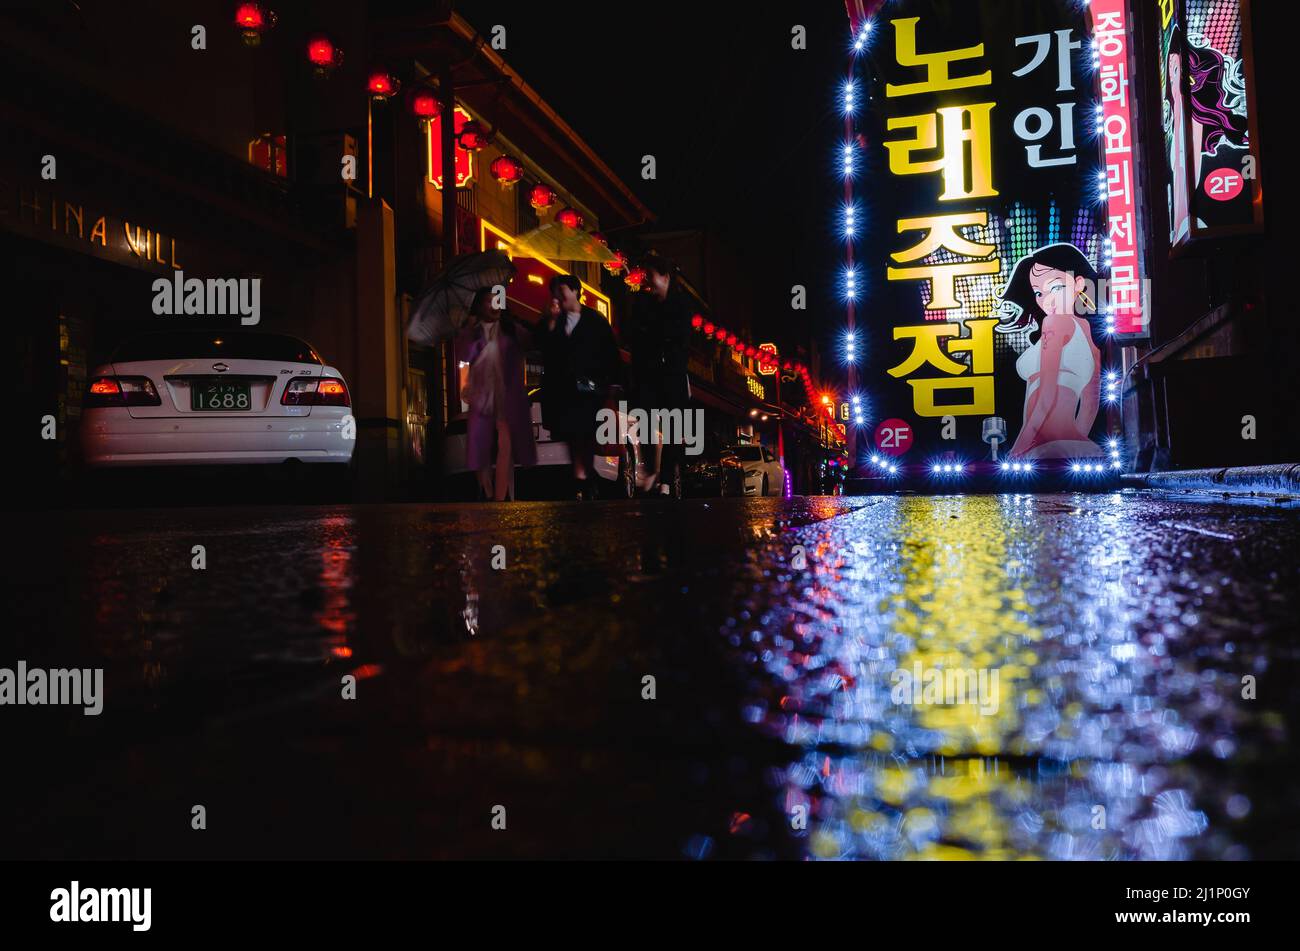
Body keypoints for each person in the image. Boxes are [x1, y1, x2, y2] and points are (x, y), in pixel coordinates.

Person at [995, 243, 1104, 461]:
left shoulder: (1054, 323)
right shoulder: (1089, 338)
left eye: (1055, 287)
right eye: (1038, 292)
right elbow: (1091, 405)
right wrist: (1074, 444)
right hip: (1077, 442)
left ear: (1078, 283)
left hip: (1042, 443)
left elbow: (1046, 395)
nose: (1047, 300)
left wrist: (1019, 447)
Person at [539, 274, 622, 500]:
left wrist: (612, 384)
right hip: (562, 391)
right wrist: (551, 324)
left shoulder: (595, 320)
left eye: (562, 289)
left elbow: (610, 353)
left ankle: (584, 478)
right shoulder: (552, 320)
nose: (558, 295)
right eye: (554, 291)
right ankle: (584, 478)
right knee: (571, 435)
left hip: (590, 390)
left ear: (576, 291)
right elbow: (544, 351)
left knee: (585, 435)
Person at [461, 287, 536, 501]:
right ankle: (487, 489)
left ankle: (499, 497)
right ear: (479, 305)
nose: (494, 306)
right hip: (481, 391)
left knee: (506, 443)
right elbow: (466, 356)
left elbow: (529, 342)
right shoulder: (473, 330)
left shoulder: (511, 328)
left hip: (505, 392)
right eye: (488, 301)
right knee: (479, 444)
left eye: (497, 301)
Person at [626, 253, 692, 494]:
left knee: (674, 429)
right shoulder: (643, 303)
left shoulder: (681, 303)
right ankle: (652, 470)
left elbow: (681, 339)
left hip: (673, 374)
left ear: (664, 276)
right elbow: (634, 334)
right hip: (649, 374)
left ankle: (665, 480)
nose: (648, 282)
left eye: (650, 276)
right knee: (645, 421)